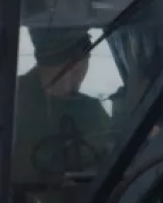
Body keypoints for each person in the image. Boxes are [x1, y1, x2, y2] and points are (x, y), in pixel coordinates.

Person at [11, 26, 113, 185]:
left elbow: (113, 156)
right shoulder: (8, 100)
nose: (77, 80)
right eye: (73, 71)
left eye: (82, 69)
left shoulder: (90, 110)